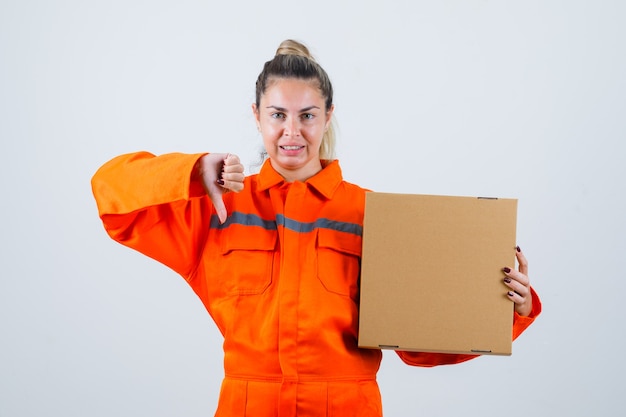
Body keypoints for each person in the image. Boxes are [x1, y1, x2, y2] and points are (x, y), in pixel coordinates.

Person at [91, 39, 541, 417]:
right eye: (278, 115)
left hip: (348, 405)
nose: (292, 131)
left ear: (327, 116)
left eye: (307, 115)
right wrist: (193, 171)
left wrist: (505, 313)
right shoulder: (217, 206)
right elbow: (111, 195)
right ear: (256, 116)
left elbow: (417, 344)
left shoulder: (370, 214)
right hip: (248, 406)